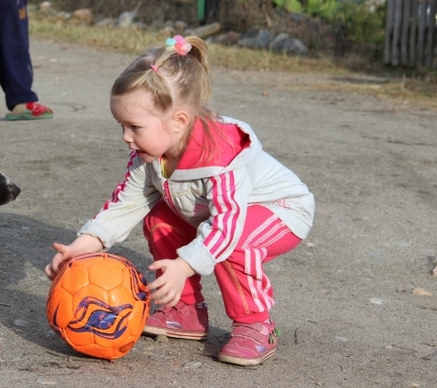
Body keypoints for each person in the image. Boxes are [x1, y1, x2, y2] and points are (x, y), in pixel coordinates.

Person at [44, 35, 314, 366]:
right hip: (216, 216)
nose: (126, 137)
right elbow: (125, 204)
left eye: (135, 127)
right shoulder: (149, 156)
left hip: (282, 211)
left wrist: (184, 266)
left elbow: (227, 226)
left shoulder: (222, 157)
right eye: (121, 125)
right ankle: (185, 311)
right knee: (158, 217)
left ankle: (256, 324)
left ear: (179, 121)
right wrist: (83, 244)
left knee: (236, 245)